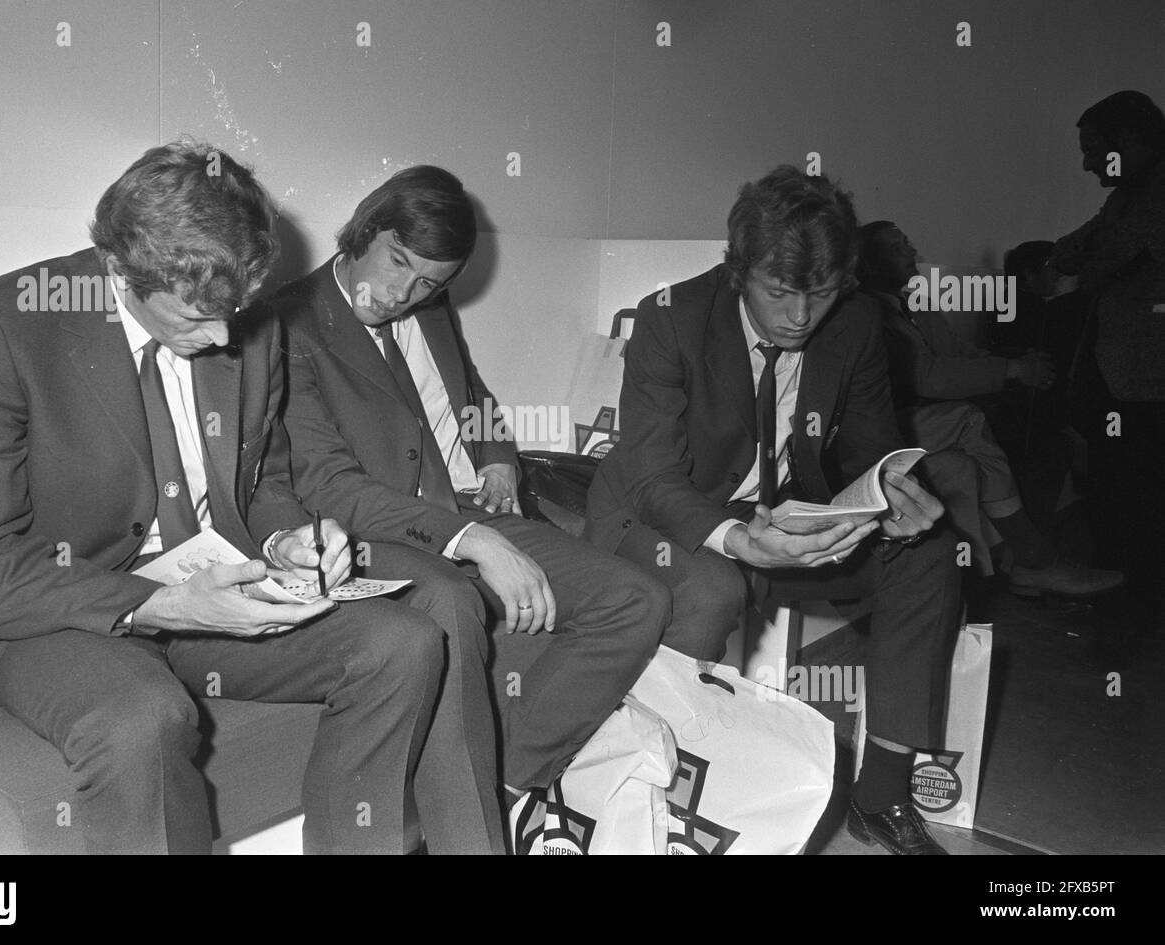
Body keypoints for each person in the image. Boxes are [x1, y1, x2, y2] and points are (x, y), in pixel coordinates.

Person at [0, 142, 490, 855]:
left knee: (401, 643)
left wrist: (291, 537)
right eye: (197, 318)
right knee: (141, 715)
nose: (226, 336)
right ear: (122, 270)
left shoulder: (246, 325)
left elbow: (265, 484)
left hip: (207, 591)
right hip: (49, 607)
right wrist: (154, 603)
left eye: (236, 312)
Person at [586, 165, 961, 855]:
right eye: (780, 291)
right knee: (712, 585)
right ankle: (660, 795)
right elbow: (651, 476)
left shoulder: (855, 320)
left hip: (788, 515)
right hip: (664, 514)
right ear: (738, 271)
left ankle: (879, 793)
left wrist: (890, 496)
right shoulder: (669, 316)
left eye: (818, 294)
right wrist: (737, 539)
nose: (798, 316)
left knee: (930, 554)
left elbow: (872, 445)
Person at [268, 165, 670, 800]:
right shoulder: (286, 324)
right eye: (396, 263)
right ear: (364, 231)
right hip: (385, 530)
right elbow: (329, 486)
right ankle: (474, 794)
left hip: (469, 503)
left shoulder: (430, 302)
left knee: (637, 601)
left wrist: (497, 453)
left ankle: (506, 783)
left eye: (431, 281)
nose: (405, 292)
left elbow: (469, 390)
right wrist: (472, 538)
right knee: (467, 602)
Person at [859, 221, 1121, 597]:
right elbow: (928, 377)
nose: (912, 252)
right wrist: (1011, 370)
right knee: (981, 422)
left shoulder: (914, 301)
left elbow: (958, 352)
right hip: (896, 425)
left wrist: (1014, 368)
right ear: (868, 264)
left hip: (940, 416)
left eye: (907, 243)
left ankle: (988, 576)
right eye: (898, 248)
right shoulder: (869, 313)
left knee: (1042, 443)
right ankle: (1034, 561)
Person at [1052, 90, 1165, 627]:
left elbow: (1098, 254)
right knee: (1120, 489)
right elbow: (1071, 251)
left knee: (1136, 493)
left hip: (1147, 380)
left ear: (1133, 141)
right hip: (1127, 375)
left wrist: (1097, 255)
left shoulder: (1154, 191)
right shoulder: (1129, 193)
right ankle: (1127, 600)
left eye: (1095, 148)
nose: (1086, 162)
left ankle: (1136, 608)